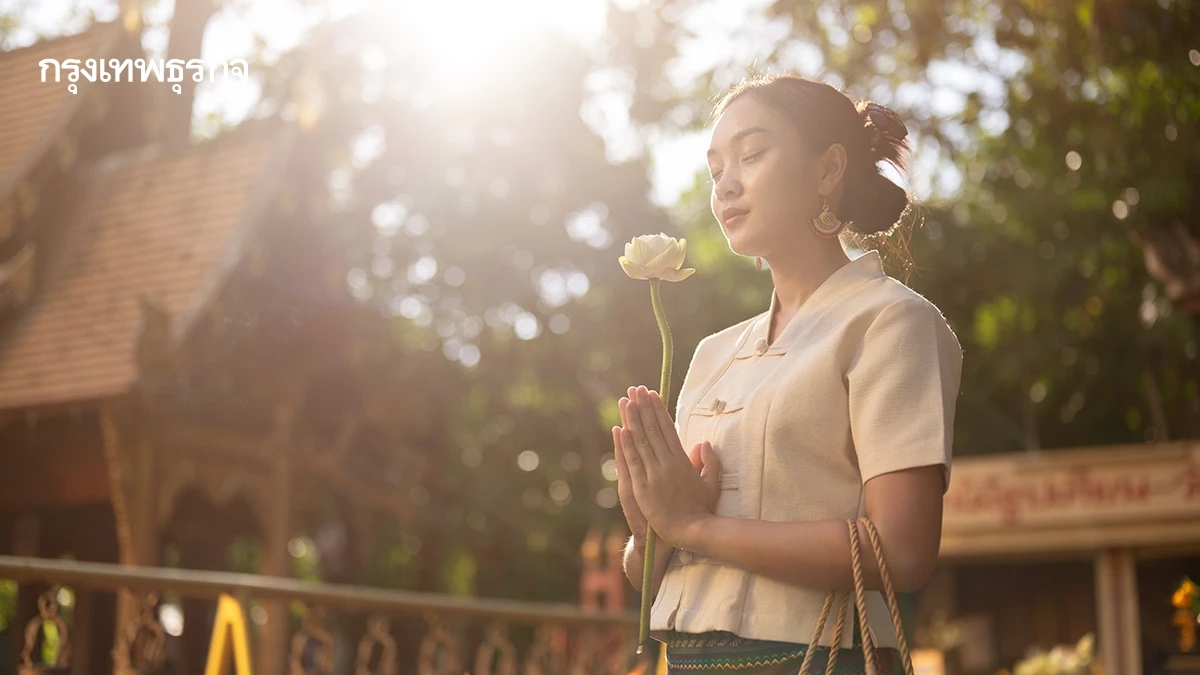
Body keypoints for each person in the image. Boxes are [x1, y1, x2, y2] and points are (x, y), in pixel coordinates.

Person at [612, 73, 964, 675]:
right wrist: (648, 531)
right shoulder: (711, 352)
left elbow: (902, 553)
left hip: (820, 660)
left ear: (828, 170)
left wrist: (692, 523)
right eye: (716, 166)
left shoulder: (890, 321)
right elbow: (654, 562)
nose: (726, 182)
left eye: (751, 154)